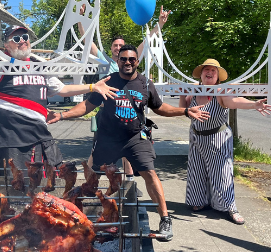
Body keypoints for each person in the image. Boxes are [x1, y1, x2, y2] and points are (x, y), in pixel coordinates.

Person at [53, 45, 212, 242]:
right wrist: (62, 115)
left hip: (135, 137)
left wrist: (186, 111)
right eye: (123, 59)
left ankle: (165, 219)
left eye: (131, 59)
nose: (127, 62)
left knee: (150, 173)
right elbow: (87, 106)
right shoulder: (108, 81)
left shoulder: (145, 84)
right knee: (92, 176)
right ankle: (80, 216)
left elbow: (160, 107)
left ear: (137, 61)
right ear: (117, 60)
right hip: (108, 138)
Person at [0, 25, 118, 178]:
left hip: (40, 140)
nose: (22, 40)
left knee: (45, 189)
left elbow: (62, 90)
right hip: (9, 142)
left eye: (25, 37)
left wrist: (92, 87)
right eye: (16, 38)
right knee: (12, 193)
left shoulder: (40, 64)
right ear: (6, 44)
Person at [179, 59, 271, 225]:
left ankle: (230, 208)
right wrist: (181, 92)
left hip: (217, 138)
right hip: (196, 137)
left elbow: (235, 101)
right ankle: (199, 202)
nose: (209, 73)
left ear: (217, 77)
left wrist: (253, 105)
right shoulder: (193, 91)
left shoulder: (221, 92)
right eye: (206, 70)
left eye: (213, 71)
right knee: (197, 171)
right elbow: (183, 109)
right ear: (201, 74)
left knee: (221, 174)